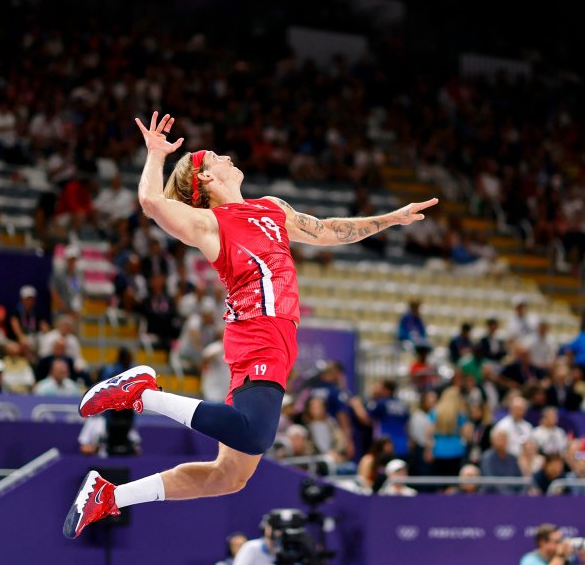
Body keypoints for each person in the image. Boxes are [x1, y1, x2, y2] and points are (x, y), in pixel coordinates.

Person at [63, 112, 438, 538]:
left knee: (230, 476)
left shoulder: (272, 209)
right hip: (258, 328)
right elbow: (151, 203)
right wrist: (154, 155)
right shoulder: (210, 224)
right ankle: (142, 396)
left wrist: (392, 218)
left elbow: (330, 231)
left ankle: (110, 497)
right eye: (216, 156)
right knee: (255, 434)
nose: (227, 156)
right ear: (204, 179)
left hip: (275, 335)